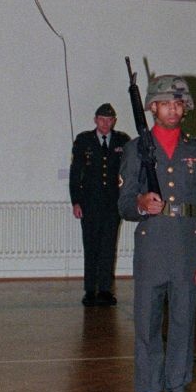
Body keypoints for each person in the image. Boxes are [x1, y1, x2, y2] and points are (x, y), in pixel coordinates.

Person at [118, 75, 196, 392]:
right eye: (165, 103)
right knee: (146, 333)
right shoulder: (136, 148)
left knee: (182, 332)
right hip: (152, 248)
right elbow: (123, 203)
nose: (173, 109)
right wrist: (141, 203)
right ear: (152, 108)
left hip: (188, 252)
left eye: (179, 104)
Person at [69, 102, 129, 306]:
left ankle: (105, 289)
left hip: (113, 204)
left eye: (109, 119)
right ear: (95, 120)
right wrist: (76, 201)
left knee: (108, 247)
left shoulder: (122, 141)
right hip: (90, 204)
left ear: (114, 121)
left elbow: (128, 173)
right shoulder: (84, 140)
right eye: (102, 119)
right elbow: (76, 173)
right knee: (91, 246)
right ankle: (90, 290)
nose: (105, 123)